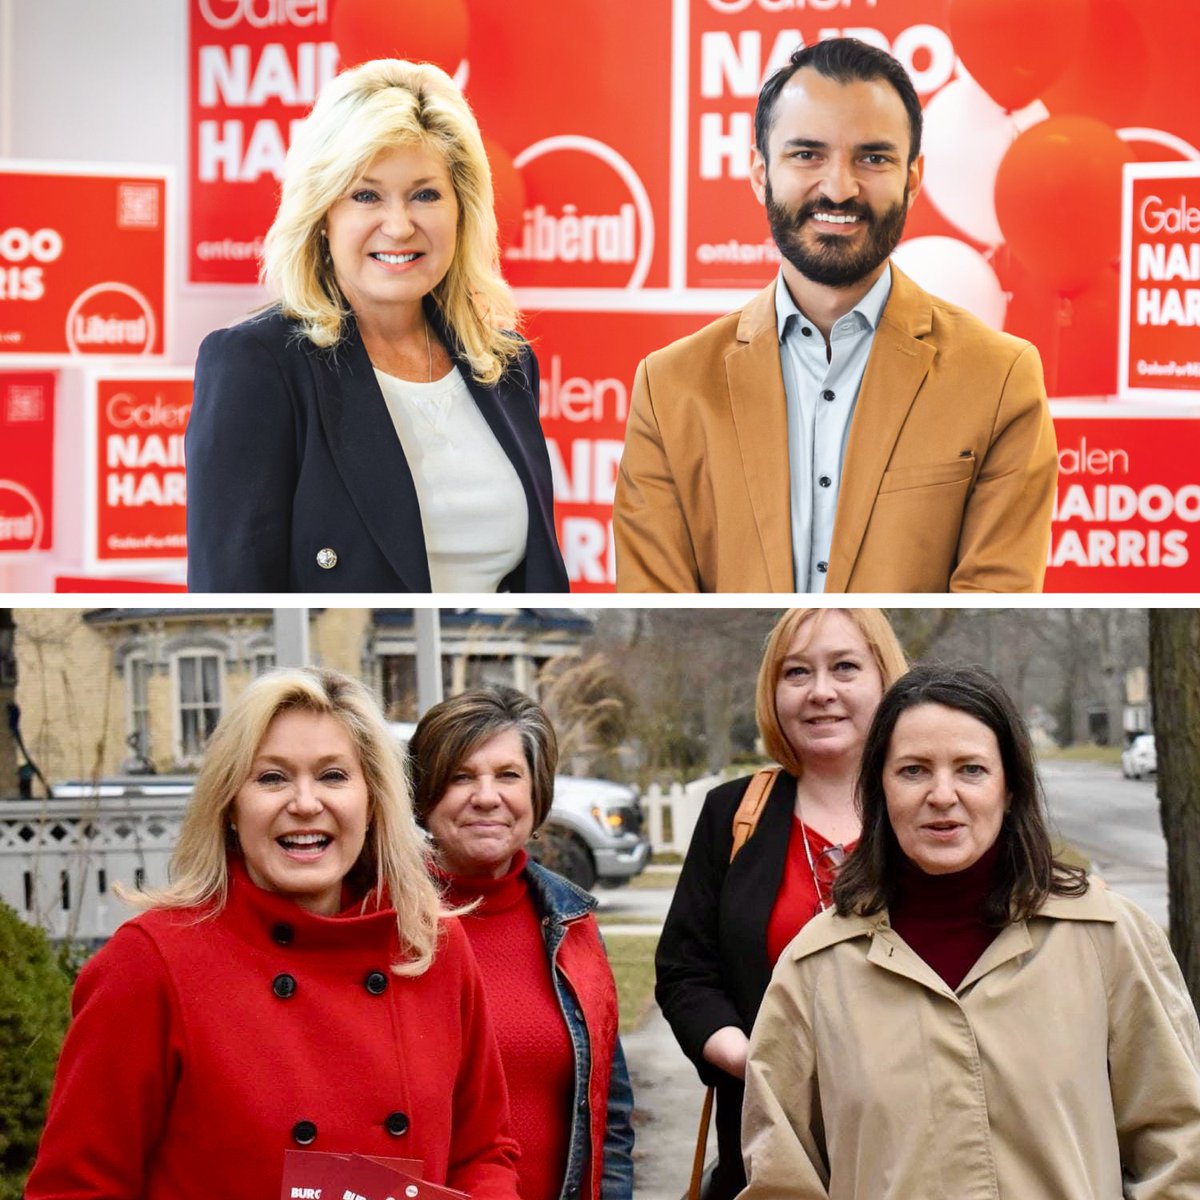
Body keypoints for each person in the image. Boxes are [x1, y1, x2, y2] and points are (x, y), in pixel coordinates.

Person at [26, 668, 522, 1200]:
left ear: (374, 802)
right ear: (230, 806)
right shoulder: (150, 962)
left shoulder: (432, 947)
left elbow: (483, 1153)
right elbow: (75, 1188)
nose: (306, 803)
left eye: (333, 776)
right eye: (271, 778)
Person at [614, 38, 1056, 593]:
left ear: (913, 179)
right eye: (807, 154)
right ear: (760, 173)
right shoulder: (669, 387)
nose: (839, 188)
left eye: (873, 158)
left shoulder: (1000, 378)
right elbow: (657, 604)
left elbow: (995, 601)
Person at [741, 663, 1200, 1198]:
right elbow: (781, 1180)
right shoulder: (815, 969)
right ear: (879, 789)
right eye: (913, 770)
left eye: (971, 769)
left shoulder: (1108, 939)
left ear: (1010, 788)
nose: (942, 794)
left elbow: (1179, 1146)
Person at [186, 59, 568, 593]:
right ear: (323, 214)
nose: (398, 225)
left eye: (425, 194)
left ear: (462, 209)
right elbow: (230, 593)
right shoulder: (256, 365)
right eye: (366, 195)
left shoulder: (504, 361)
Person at [655, 609, 908, 1199]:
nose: (821, 692)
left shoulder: (927, 808)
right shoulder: (733, 814)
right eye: (797, 673)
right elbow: (686, 972)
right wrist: (757, 1064)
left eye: (845, 667)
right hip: (766, 1149)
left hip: (911, 1148)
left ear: (884, 679)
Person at [408, 686, 635, 1200]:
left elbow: (610, 1114)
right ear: (424, 797)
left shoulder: (570, 923)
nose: (487, 796)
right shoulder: (382, 923)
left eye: (508, 775)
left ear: (537, 794)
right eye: (461, 776)